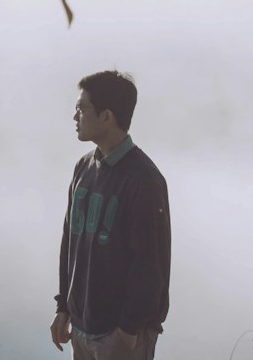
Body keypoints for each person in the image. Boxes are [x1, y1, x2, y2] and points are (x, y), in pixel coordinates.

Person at [51, 70, 171, 360]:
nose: (75, 116)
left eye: (82, 109)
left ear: (106, 116)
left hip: (120, 336)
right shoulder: (83, 167)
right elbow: (70, 240)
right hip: (81, 328)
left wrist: (127, 333)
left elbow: (149, 264)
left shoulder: (143, 179)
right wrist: (63, 308)